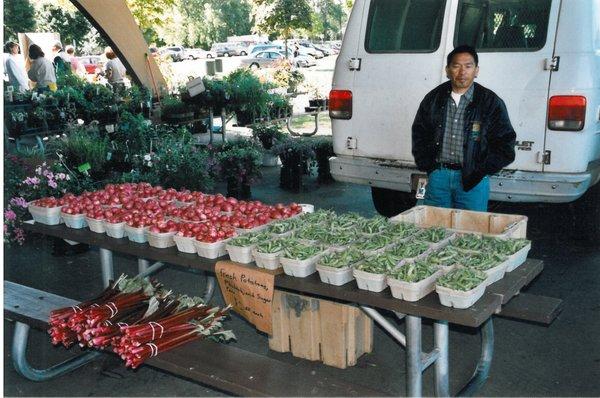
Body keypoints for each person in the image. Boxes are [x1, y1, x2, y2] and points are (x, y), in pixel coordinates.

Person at [411, 45, 516, 212]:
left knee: (470, 231)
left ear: (476, 70)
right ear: (447, 70)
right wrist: (429, 166)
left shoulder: (490, 102)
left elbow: (505, 142)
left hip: (473, 181)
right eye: (456, 66)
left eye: (468, 66)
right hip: (439, 176)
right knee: (434, 228)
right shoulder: (434, 98)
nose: (462, 72)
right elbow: (419, 133)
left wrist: (481, 170)